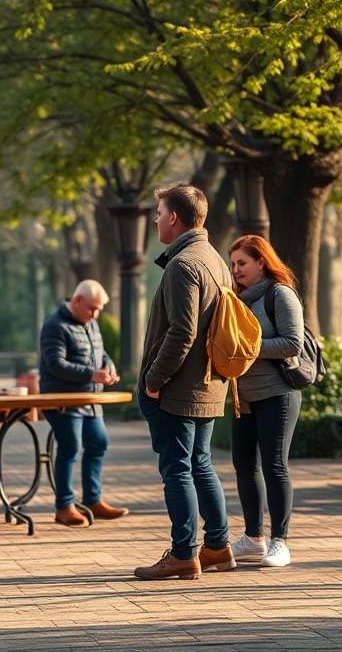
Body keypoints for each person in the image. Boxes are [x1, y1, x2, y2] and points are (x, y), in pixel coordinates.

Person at [133, 184, 236, 581]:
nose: (156, 219)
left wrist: (153, 380)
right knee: (201, 464)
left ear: (174, 217)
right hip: (208, 385)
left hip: (178, 388)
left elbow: (182, 333)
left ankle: (182, 554)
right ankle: (218, 547)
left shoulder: (183, 264)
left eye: (159, 213)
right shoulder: (215, 259)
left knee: (177, 468)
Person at [227, 235, 304, 568]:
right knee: (244, 466)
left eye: (242, 263)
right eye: (233, 264)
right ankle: (254, 539)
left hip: (278, 394)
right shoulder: (235, 299)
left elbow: (292, 343)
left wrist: (248, 349)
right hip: (242, 397)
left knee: (275, 466)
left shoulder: (280, 294)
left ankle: (280, 542)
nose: (236, 270)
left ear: (261, 261)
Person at [39, 279, 129, 527]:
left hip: (90, 400)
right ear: (77, 301)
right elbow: (55, 364)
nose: (96, 314)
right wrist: (91, 374)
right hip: (63, 401)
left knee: (98, 443)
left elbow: (101, 354)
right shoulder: (54, 326)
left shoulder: (90, 324)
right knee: (70, 448)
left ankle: (92, 500)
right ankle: (64, 506)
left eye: (99, 309)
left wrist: (108, 369)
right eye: (92, 308)